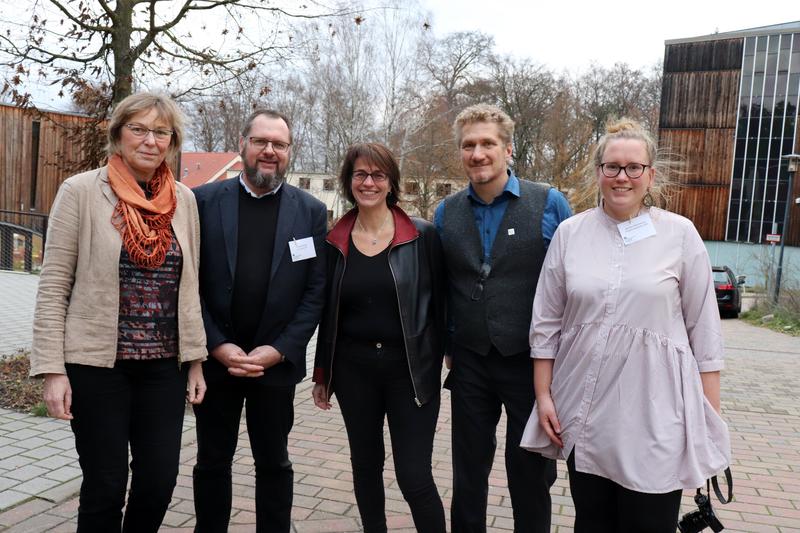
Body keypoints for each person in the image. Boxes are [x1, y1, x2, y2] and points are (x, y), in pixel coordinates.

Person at [521, 118, 731, 532]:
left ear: (650, 174)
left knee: (648, 523)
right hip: (584, 411)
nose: (623, 177)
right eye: (612, 166)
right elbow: (545, 324)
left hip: (655, 413)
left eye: (634, 167)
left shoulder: (680, 235)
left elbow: (705, 334)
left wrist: (709, 421)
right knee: (593, 522)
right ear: (598, 171)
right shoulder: (570, 234)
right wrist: (544, 396)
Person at [29, 92, 207, 533]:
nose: (150, 140)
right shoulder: (82, 191)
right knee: (105, 485)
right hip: (96, 367)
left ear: (172, 140)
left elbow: (190, 287)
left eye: (161, 132)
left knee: (160, 480)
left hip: (163, 368)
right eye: (139, 129)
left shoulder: (184, 200)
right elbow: (53, 286)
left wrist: (197, 360)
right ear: (118, 134)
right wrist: (52, 370)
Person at [434, 103, 571, 532]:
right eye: (468, 145)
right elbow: (442, 286)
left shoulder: (549, 203)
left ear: (507, 149)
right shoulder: (445, 212)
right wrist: (448, 345)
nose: (477, 153)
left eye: (487, 143)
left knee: (529, 472)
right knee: (468, 472)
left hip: (530, 362)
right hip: (471, 360)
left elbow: (571, 281)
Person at [192, 109, 327, 533]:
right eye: (260, 141)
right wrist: (216, 344)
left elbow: (314, 293)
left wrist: (281, 349)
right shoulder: (201, 202)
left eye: (280, 144)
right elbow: (187, 283)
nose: (269, 151)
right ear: (243, 145)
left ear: (289, 151)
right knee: (212, 461)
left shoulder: (310, 211)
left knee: (274, 461)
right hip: (218, 362)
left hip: (275, 366)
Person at [311, 143, 447, 533]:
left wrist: (440, 360)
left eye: (378, 175)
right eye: (360, 175)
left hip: (409, 372)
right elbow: (328, 314)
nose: (368, 182)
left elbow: (441, 308)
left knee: (414, 476)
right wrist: (323, 373)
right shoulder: (333, 242)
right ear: (348, 181)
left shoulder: (423, 237)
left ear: (391, 183)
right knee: (365, 468)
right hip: (354, 373)